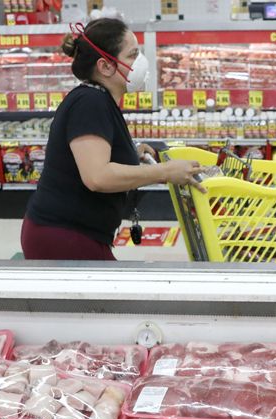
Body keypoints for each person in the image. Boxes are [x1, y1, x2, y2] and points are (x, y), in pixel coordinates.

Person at [22, 18, 204, 260]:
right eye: (132, 55)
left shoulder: (99, 99)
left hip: (75, 232)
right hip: (63, 236)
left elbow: (96, 156)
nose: (141, 62)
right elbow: (97, 177)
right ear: (105, 67)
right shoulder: (89, 103)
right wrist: (165, 171)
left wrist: (130, 152)